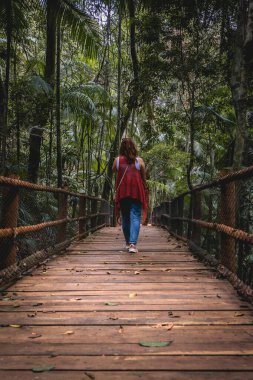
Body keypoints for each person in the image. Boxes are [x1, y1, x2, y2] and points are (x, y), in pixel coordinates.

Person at [113, 138, 148, 253]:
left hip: (123, 193)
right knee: (135, 216)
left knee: (125, 217)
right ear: (133, 148)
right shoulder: (140, 161)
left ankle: (128, 243)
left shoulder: (117, 161)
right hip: (136, 192)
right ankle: (133, 244)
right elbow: (143, 178)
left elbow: (114, 171)